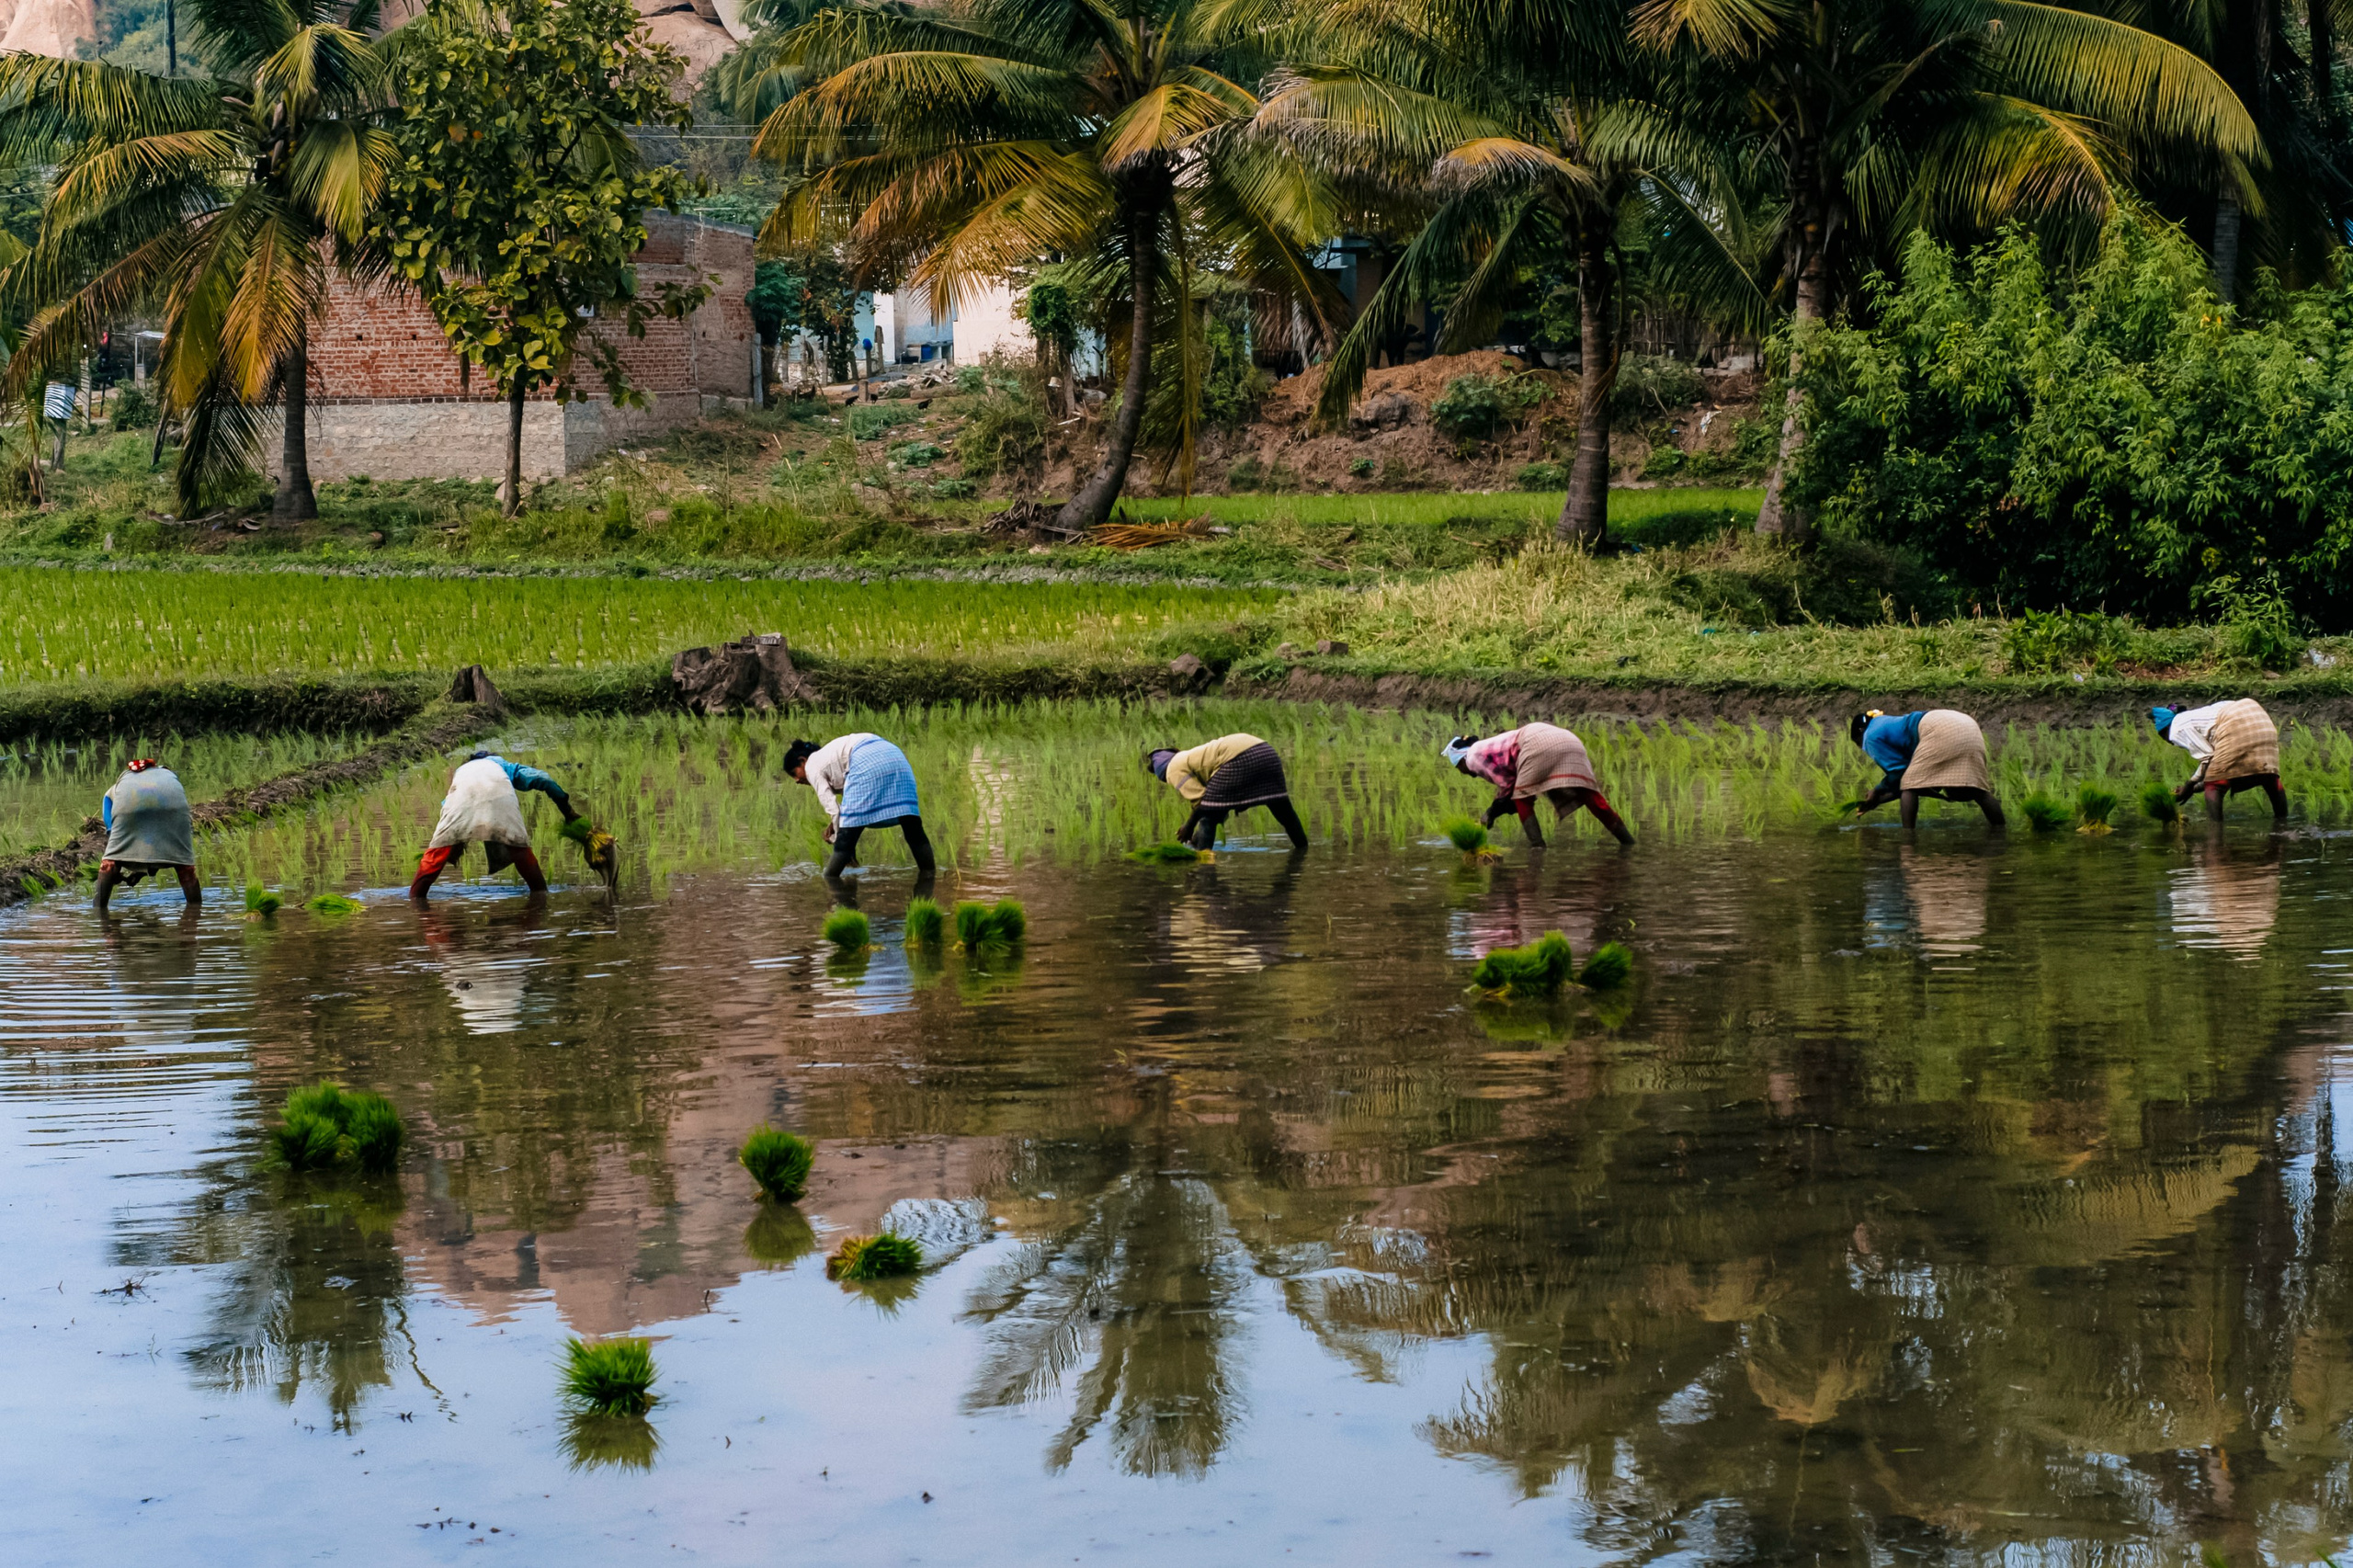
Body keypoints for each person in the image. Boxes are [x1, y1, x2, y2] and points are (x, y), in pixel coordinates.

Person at [409, 751, 580, 900]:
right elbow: (544, 779)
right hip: (500, 797)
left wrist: (450, 845)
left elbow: (448, 805)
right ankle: (541, 898)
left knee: (433, 858)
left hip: (458, 803)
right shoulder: (501, 765)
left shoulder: (462, 772)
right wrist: (568, 813)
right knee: (521, 853)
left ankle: (414, 902)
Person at [1443, 723, 1632, 846]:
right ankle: (1628, 842)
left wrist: (1489, 815)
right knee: (1589, 795)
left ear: (1460, 762)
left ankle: (1537, 849)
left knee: (1522, 799)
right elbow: (1512, 788)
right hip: (1570, 740)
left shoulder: (1472, 757)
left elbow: (1509, 788)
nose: (1464, 773)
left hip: (1535, 743)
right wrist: (1494, 812)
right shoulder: (1489, 746)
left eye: (1459, 769)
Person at [786, 733, 936, 880]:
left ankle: (830, 881)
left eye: (795, 773)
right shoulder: (829, 755)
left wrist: (839, 840)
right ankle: (929, 875)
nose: (797, 780)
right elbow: (849, 804)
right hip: (896, 759)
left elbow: (835, 809)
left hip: (866, 761)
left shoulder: (812, 765)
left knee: (844, 842)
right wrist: (836, 824)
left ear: (802, 760)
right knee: (912, 826)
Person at [1146, 733, 1309, 850]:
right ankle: (1303, 852)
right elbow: (1217, 806)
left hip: (1238, 758)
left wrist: (1188, 827)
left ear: (1161, 773)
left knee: (1207, 817)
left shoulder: (1172, 769)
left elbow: (1202, 802)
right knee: (1285, 813)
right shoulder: (1190, 756)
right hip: (1267, 752)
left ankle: (1203, 866)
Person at [1849, 709, 2005, 827]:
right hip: (1967, 725)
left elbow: (1900, 775)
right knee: (1979, 792)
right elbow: (1912, 780)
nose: (1862, 747)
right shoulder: (1886, 724)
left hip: (1938, 729)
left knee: (1909, 789)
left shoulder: (1870, 736)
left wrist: (1876, 790)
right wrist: (1878, 800)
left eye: (1858, 744)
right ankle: (2000, 833)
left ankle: (1907, 842)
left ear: (1860, 734)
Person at [94, 758, 199, 911]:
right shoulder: (168, 778)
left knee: (108, 864)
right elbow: (155, 844)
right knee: (185, 868)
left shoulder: (114, 791)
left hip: (129, 808)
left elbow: (112, 831)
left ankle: (99, 915)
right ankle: (195, 916)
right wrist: (140, 872)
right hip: (174, 806)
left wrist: (114, 867)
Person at [2154, 700, 2287, 821]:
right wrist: (2194, 788)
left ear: (2164, 732)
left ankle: (2215, 835)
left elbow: (2207, 757)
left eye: (2165, 739)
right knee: (2268, 776)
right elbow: (2225, 767)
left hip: (2233, 720)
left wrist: (2188, 786)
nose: (2170, 742)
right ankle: (2282, 823)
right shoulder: (2202, 714)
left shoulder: (2177, 727)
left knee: (2215, 784)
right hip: (2259, 718)